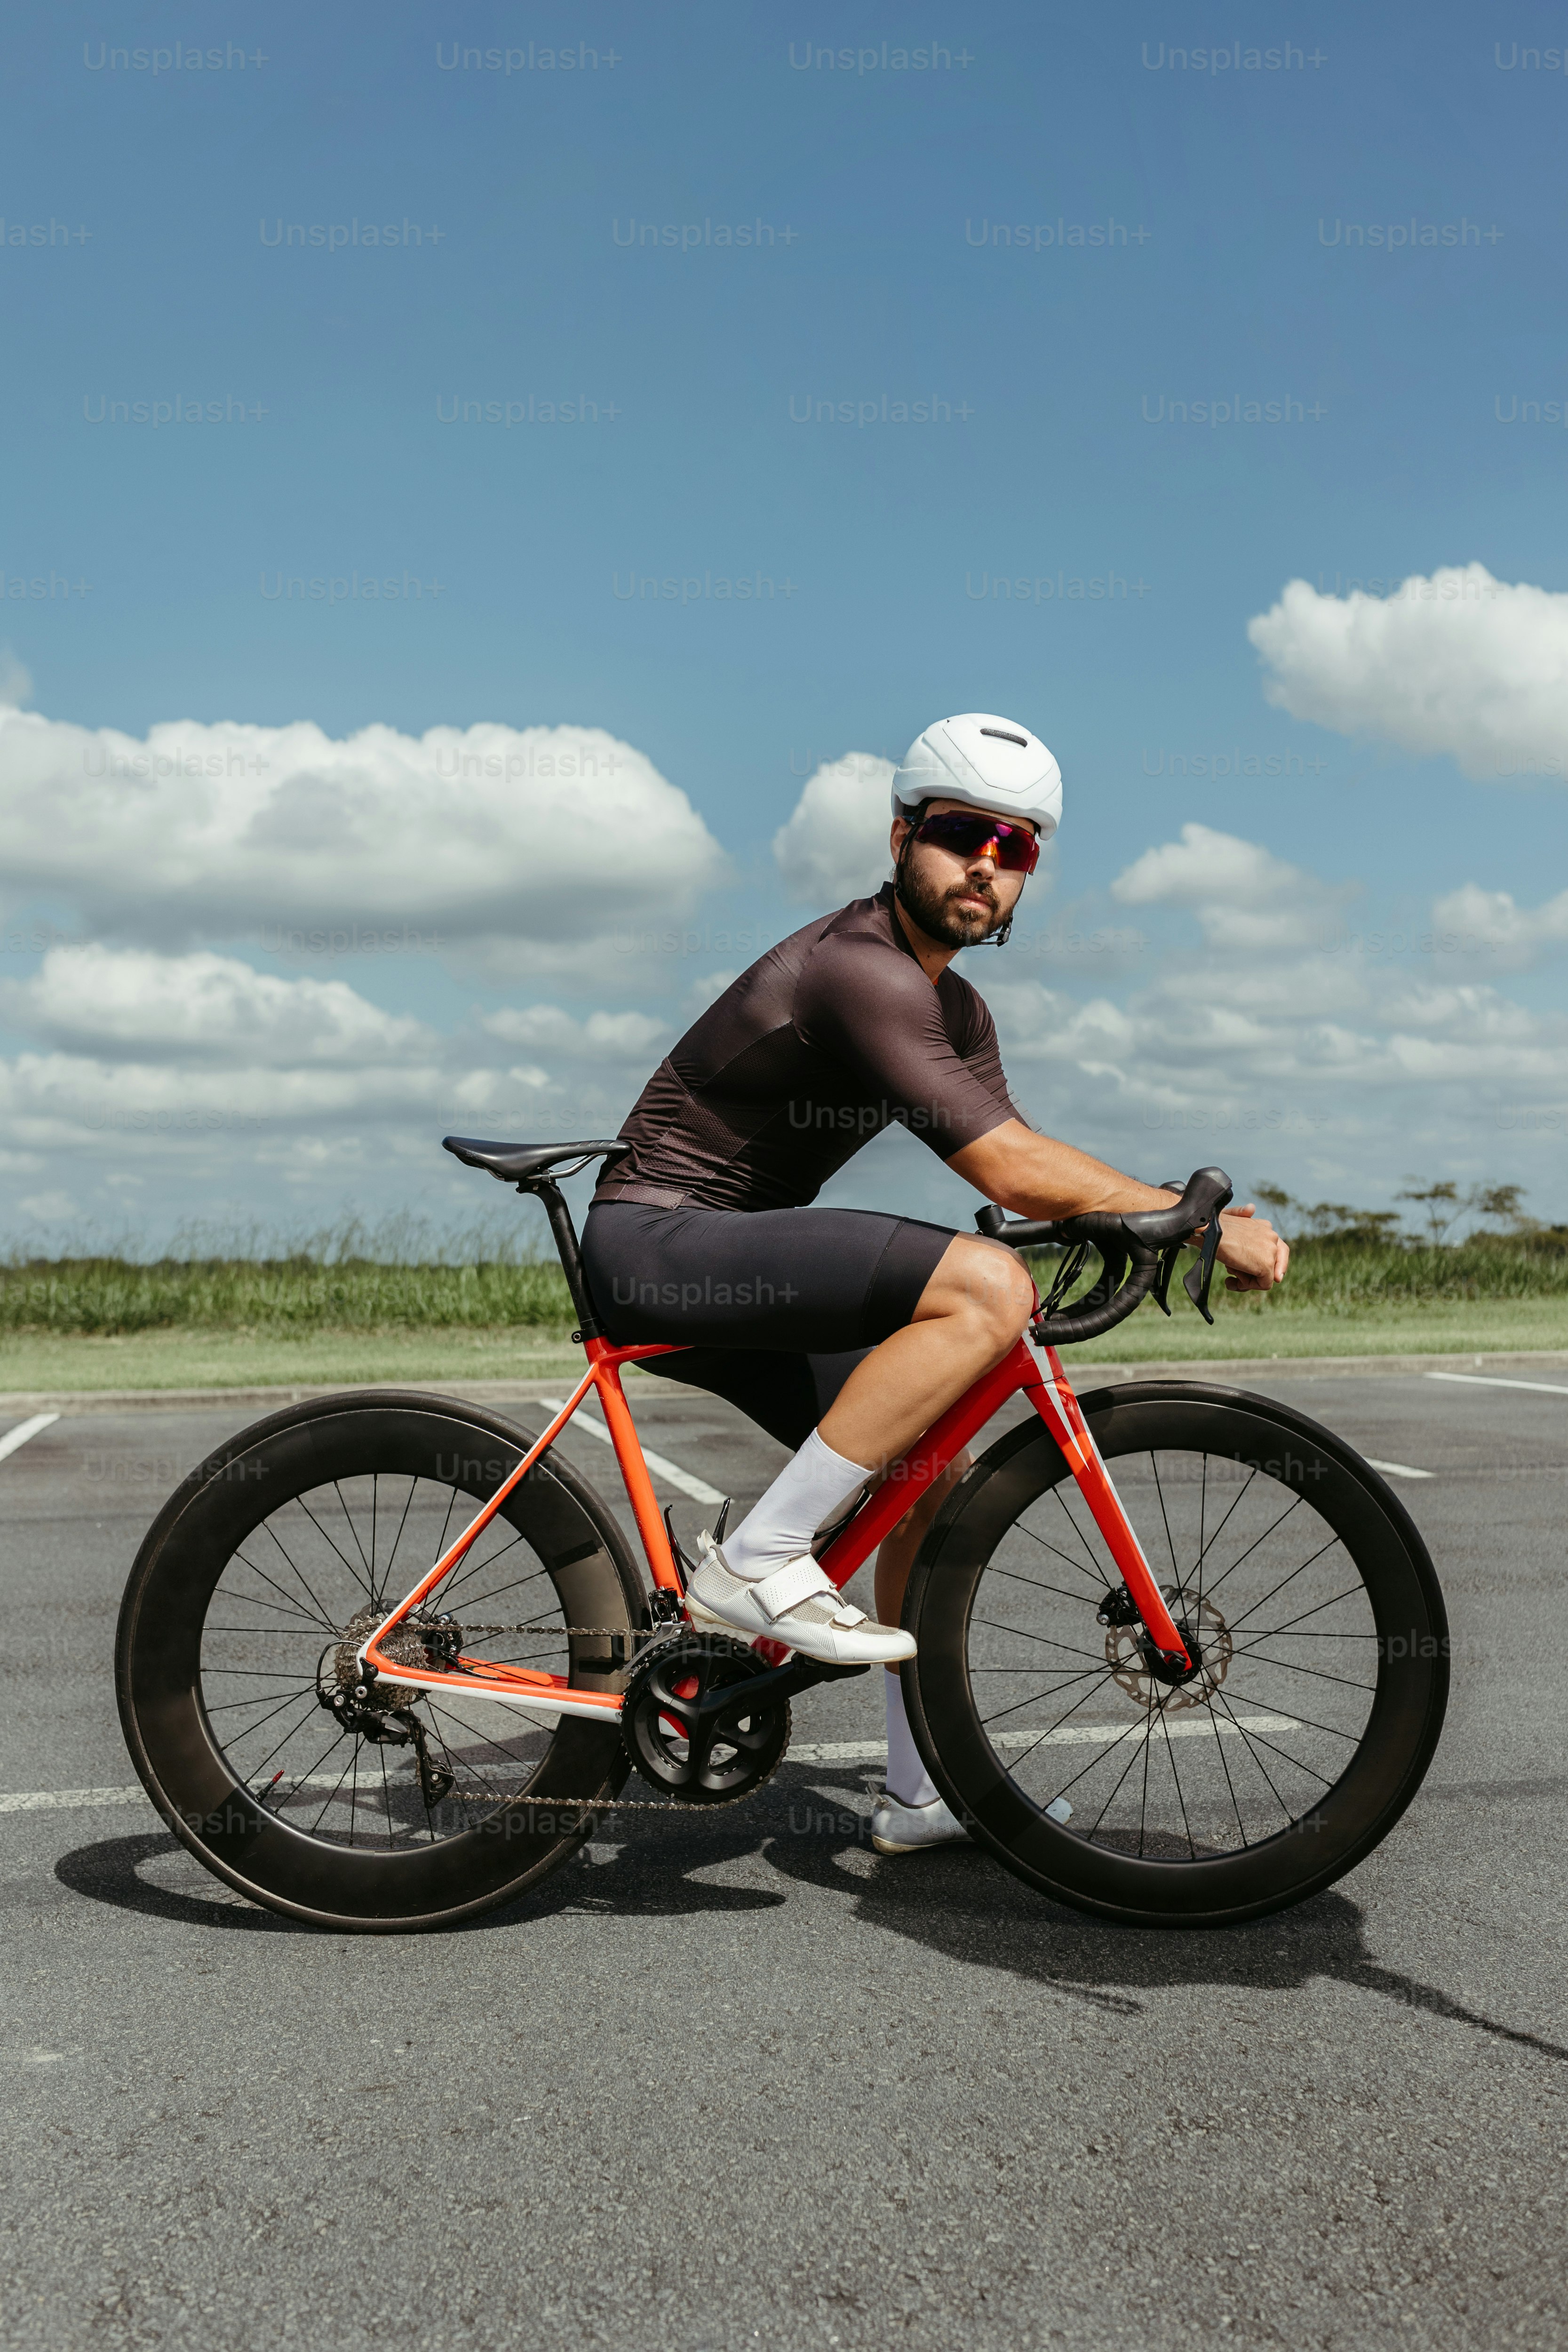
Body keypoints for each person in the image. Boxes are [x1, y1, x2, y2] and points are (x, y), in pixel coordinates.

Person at [581, 713, 1288, 1852]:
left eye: (1018, 849)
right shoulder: (857, 967)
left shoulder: (955, 1007)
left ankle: (918, 1791)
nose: (987, 865)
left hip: (728, 1261)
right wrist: (1190, 1225)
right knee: (983, 1285)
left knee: (928, 1472)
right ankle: (759, 1558)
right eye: (963, 833)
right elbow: (1005, 1166)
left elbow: (1020, 1152)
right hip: (658, 1242)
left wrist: (1126, 1214)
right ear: (903, 832)